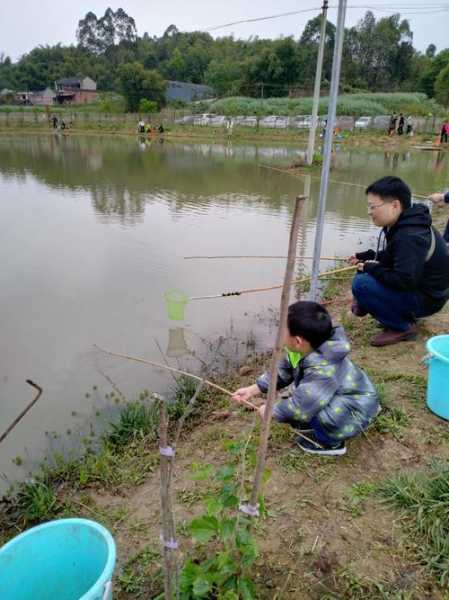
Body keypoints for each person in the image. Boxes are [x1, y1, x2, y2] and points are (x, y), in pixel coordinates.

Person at [232, 301, 379, 457]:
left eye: (282, 330)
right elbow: (282, 371)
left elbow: (301, 406)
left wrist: (272, 411)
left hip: (356, 409)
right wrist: (252, 389)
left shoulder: (323, 369)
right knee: (308, 400)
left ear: (298, 341)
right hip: (340, 396)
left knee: (309, 406)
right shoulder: (305, 349)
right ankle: (321, 425)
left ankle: (331, 443)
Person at [349, 176, 449, 347]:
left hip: (428, 298)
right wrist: (370, 256)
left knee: (362, 284)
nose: (369, 211)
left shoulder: (409, 236)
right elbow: (396, 257)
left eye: (373, 206)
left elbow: (403, 280)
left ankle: (403, 327)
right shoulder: (407, 221)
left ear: (395, 205)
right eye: (369, 206)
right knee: (367, 269)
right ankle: (379, 308)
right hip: (423, 288)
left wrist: (372, 268)